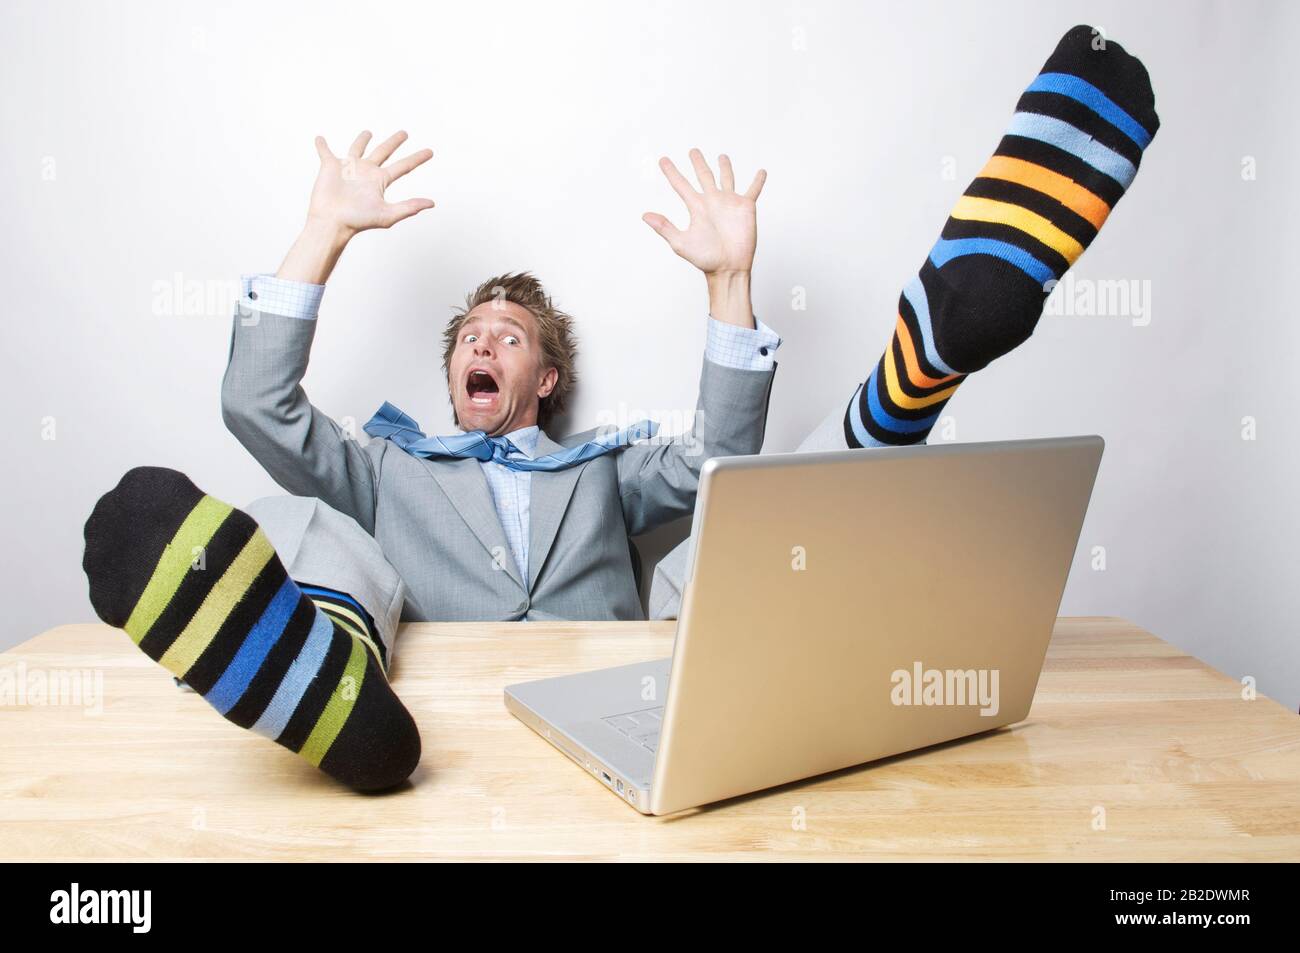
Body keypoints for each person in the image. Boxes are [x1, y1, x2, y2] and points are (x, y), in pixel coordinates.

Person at [80, 24, 1157, 792]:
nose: (485, 341)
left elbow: (715, 463)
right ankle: (330, 685)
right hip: (428, 705)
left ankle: (920, 361)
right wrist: (323, 232)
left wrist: (726, 282)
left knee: (730, 529)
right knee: (309, 522)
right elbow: (253, 403)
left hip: (648, 701)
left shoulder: (601, 467)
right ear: (453, 376)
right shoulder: (387, 465)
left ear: (547, 379)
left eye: (511, 335)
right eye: (470, 337)